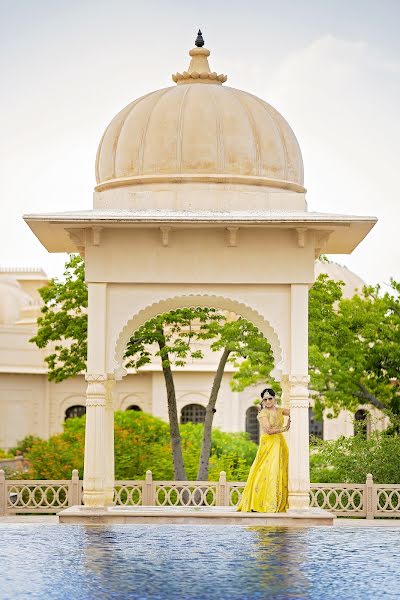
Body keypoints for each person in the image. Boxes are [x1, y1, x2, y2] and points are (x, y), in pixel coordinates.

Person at [237, 388, 290, 513]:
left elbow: (295, 412)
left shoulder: (280, 410)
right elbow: (268, 431)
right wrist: (285, 428)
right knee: (267, 470)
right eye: (265, 399)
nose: (268, 401)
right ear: (263, 401)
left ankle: (280, 500)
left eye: (270, 398)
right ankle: (261, 502)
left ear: (274, 399)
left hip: (280, 442)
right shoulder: (262, 414)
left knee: (280, 469)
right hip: (269, 443)